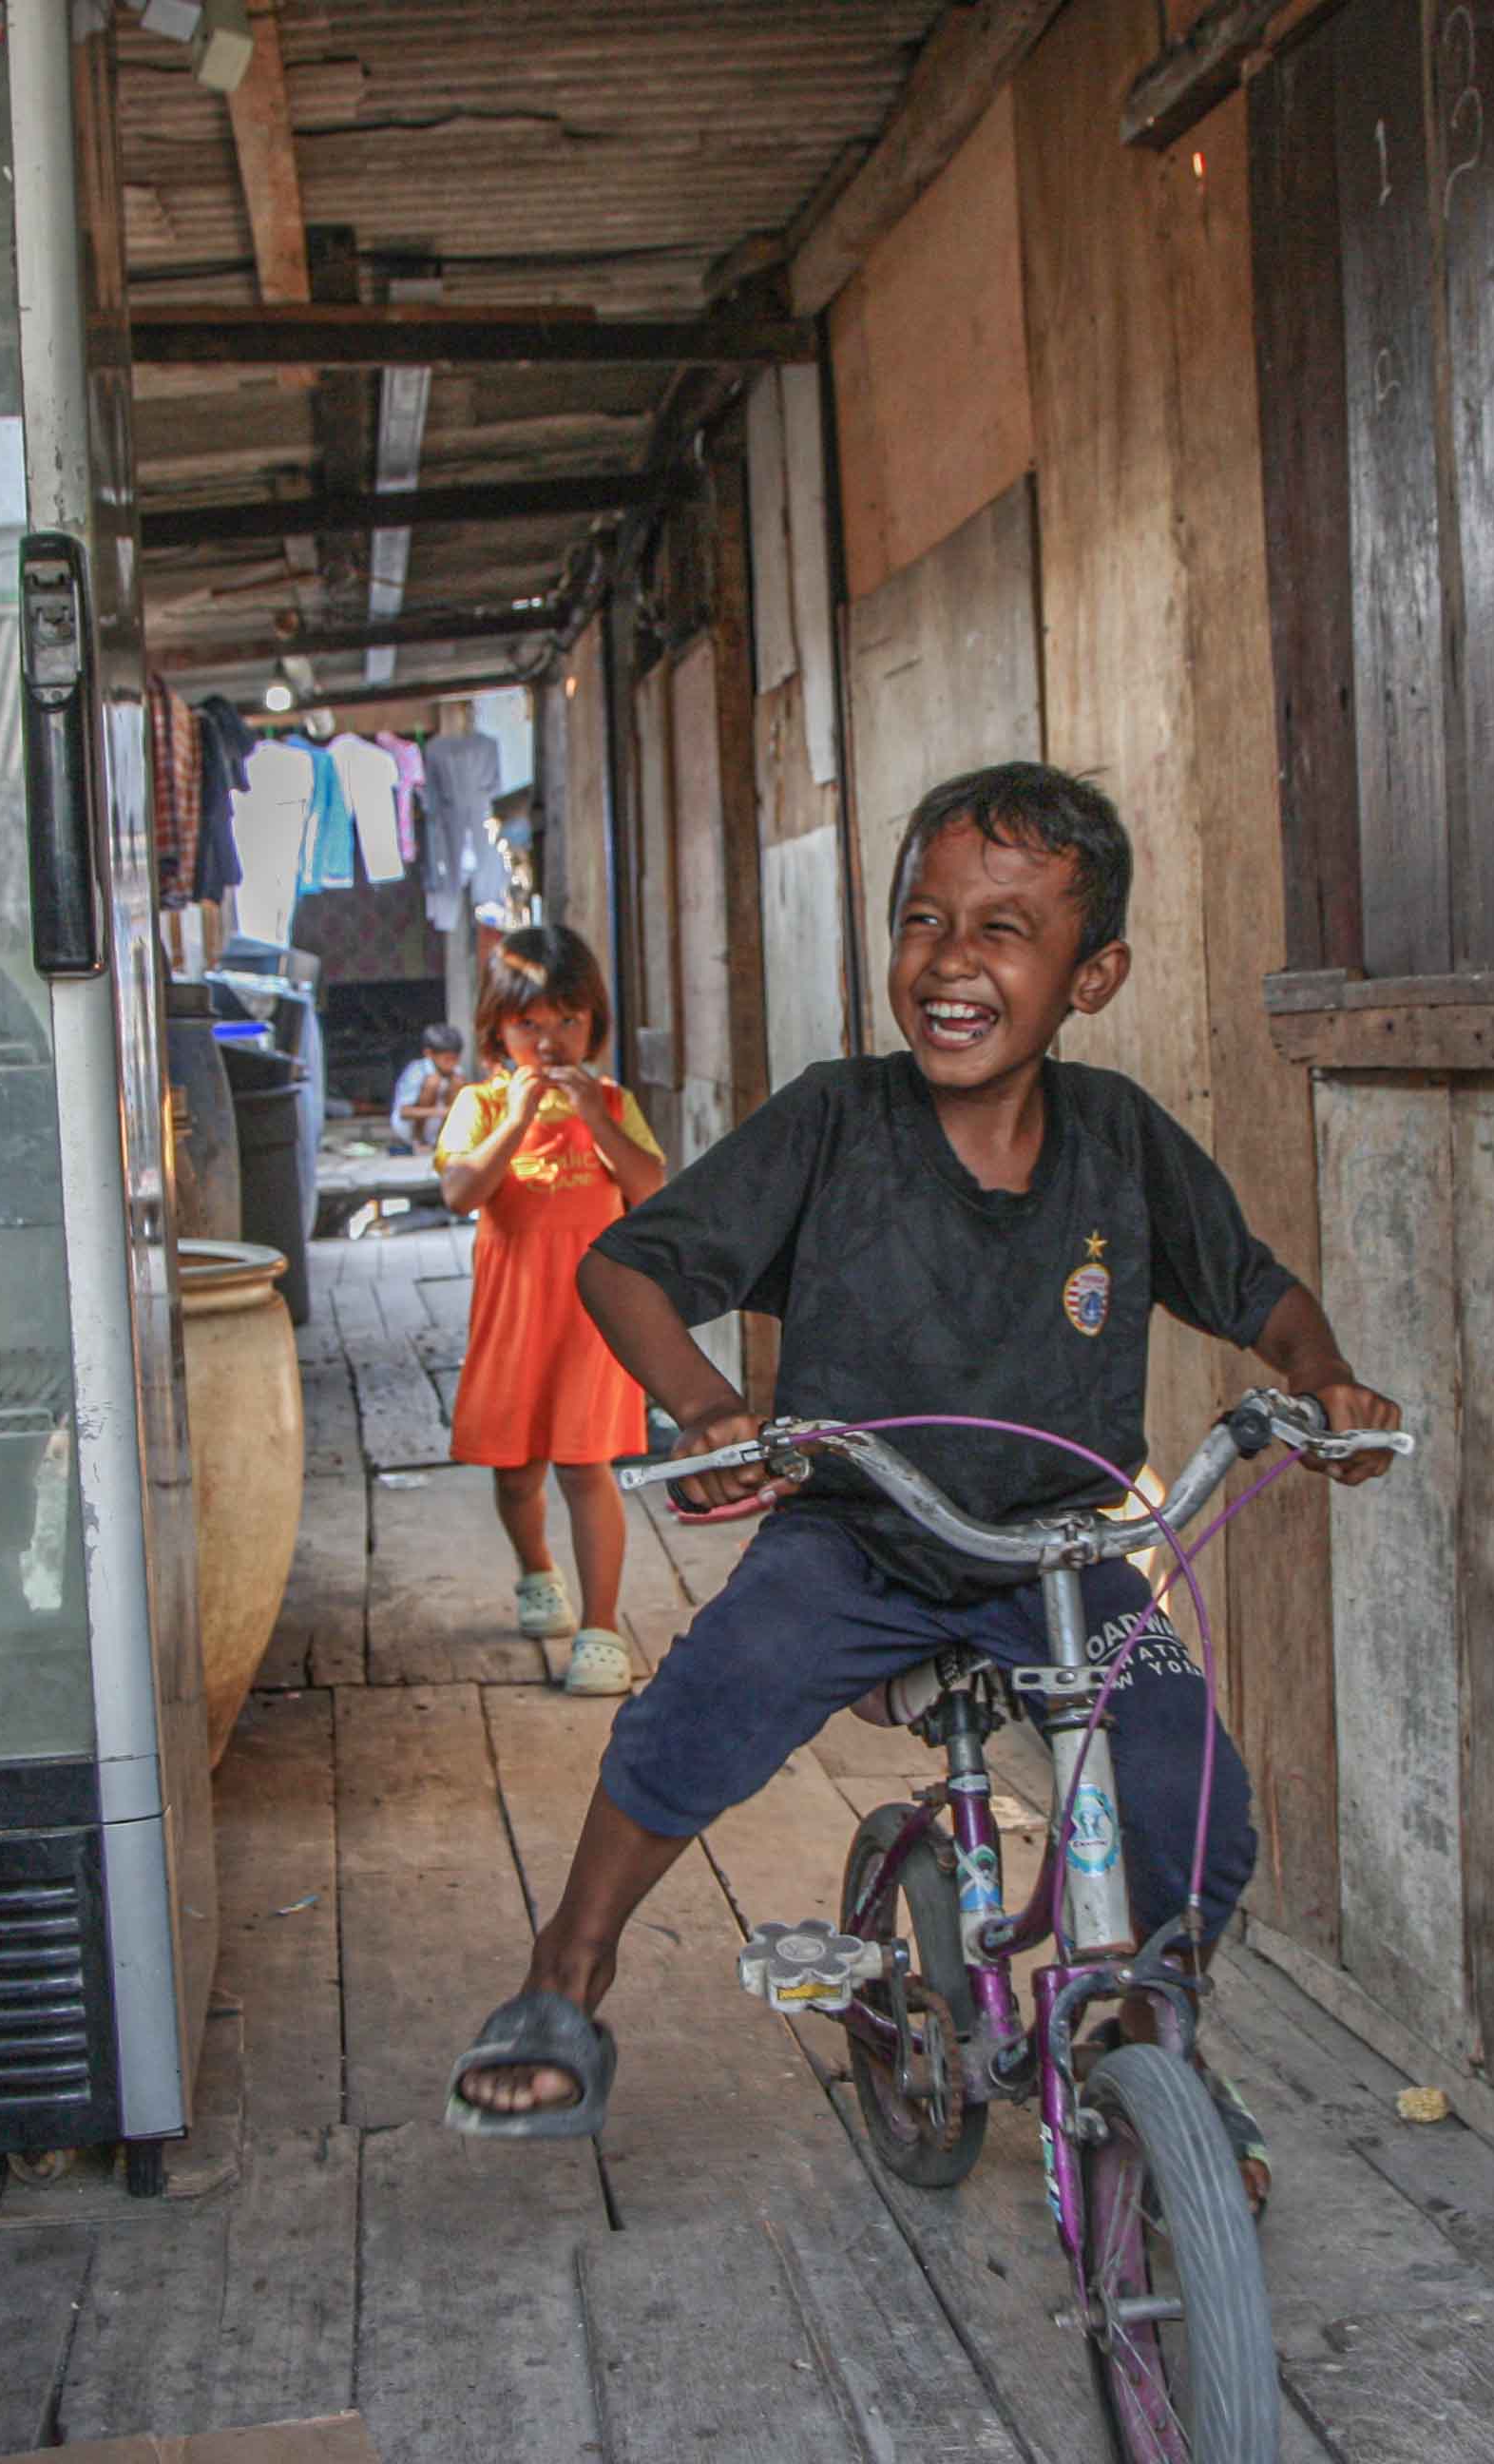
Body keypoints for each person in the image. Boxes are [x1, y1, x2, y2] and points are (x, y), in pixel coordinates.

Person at [444, 764, 1404, 2206]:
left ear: (1093, 975)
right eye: (923, 920)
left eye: (1005, 930)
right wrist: (710, 1404)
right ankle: (565, 1973)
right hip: (862, 1537)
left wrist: (1322, 1378)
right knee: (709, 1696)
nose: (952, 960)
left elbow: (1258, 1292)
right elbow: (626, 1262)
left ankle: (1163, 2036)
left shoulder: (1120, 1139)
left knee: (1182, 1785)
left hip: (1063, 1549)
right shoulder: (837, 1121)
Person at [435, 930, 665, 1700]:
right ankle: (538, 1570)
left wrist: (594, 1120)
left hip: (590, 1316)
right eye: (529, 1024)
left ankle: (601, 1628)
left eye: (568, 1021)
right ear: (497, 1029)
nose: (549, 1040)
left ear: (592, 1024)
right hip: (512, 1314)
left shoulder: (612, 1103)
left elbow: (651, 1188)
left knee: (584, 1462)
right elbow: (463, 1191)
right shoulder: (480, 1103)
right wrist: (519, 1114)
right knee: (516, 1468)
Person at [390, 1020, 468, 1154]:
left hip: (436, 1126)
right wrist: (442, 1112)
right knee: (433, 1082)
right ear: (429, 1054)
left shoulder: (457, 1073)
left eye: (455, 1059)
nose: (452, 1064)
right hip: (410, 1127)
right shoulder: (417, 1071)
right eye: (447, 1059)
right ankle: (418, 1141)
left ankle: (442, 1141)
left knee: (458, 1081)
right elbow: (405, 1112)